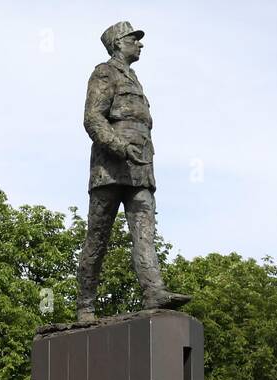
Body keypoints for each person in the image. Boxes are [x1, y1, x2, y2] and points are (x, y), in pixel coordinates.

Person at [76, 21, 191, 320]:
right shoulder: (105, 72)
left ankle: (154, 291)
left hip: (141, 168)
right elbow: (92, 118)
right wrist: (117, 145)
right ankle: (86, 304)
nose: (140, 44)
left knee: (145, 232)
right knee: (98, 237)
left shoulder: (135, 79)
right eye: (134, 39)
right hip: (110, 169)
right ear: (117, 43)